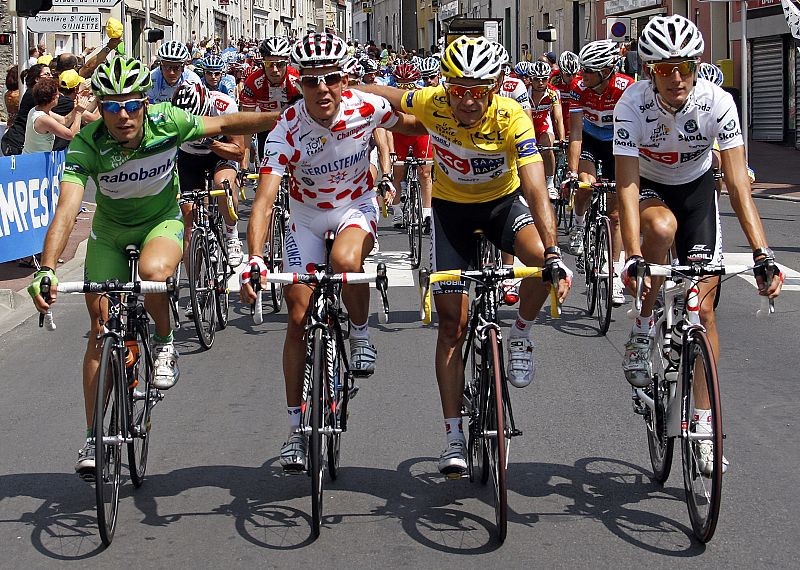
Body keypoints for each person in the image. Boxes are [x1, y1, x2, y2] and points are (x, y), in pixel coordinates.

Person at [28, 56, 281, 479]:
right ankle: (93, 436)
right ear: (100, 108)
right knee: (98, 330)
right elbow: (67, 211)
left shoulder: (170, 121)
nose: (122, 115)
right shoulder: (87, 143)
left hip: (160, 223)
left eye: (131, 105)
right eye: (110, 106)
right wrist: (48, 267)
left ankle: (164, 343)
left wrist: (287, 115)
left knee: (154, 274)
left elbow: (225, 124)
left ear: (147, 103)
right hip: (110, 234)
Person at [355, 35, 571, 476]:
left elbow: (533, 186)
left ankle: (522, 333)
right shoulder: (432, 101)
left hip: (501, 206)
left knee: (538, 264)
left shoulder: (514, 117)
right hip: (451, 212)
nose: (468, 101)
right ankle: (453, 432)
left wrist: (552, 251)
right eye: (459, 91)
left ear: (495, 87)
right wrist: (345, 91)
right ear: (447, 87)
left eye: (479, 91)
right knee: (452, 324)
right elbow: (386, 94)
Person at [239, 32, 424, 472]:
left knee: (345, 262)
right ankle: (294, 433)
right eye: (310, 80)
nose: (322, 88)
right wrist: (254, 258)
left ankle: (360, 332)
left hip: (355, 207)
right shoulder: (286, 126)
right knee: (298, 317)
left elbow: (416, 124)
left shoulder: (366, 107)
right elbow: (264, 200)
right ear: (297, 82)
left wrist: (451, 126)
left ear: (345, 79)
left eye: (332, 78)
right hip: (304, 217)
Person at [614, 15, 783, 475]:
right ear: (649, 70)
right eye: (665, 68)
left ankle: (704, 427)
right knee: (662, 229)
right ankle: (644, 320)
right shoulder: (632, 104)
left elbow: (736, 180)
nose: (676, 78)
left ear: (696, 65)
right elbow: (626, 185)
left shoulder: (716, 102)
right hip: (649, 188)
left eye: (685, 66)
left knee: (703, 312)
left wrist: (763, 252)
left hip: (696, 190)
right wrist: (632, 255)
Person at [566, 39, 634, 305]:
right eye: (583, 70)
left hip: (619, 143)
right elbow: (574, 132)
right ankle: (581, 226)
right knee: (585, 184)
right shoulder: (578, 87)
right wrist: (572, 172)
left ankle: (615, 276)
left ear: (607, 70)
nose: (584, 76)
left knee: (616, 214)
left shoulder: (627, 88)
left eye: (590, 71)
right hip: (591, 140)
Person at [172, 82, 244, 304]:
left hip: (221, 152)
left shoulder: (225, 106)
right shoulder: (171, 114)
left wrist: (210, 141)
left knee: (221, 184)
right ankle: (196, 287)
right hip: (189, 159)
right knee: (190, 223)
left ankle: (231, 235)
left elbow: (239, 152)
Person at [385, 61, 434, 232]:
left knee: (425, 174)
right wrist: (390, 150)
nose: (406, 88)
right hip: (400, 135)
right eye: (401, 85)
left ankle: (427, 213)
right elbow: (386, 126)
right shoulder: (391, 97)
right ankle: (398, 211)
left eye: (410, 84)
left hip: (421, 134)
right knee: (398, 174)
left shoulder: (424, 95)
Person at [240, 37, 301, 166]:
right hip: (266, 126)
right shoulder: (253, 82)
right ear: (262, 63)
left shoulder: (297, 80)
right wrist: (244, 163)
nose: (274, 70)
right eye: (269, 64)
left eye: (280, 64)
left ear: (287, 63)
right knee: (266, 164)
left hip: (295, 125)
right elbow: (247, 123)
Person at [529, 61, 565, 200]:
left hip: (544, 126)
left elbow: (558, 117)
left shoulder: (553, 92)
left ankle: (550, 184)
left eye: (544, 79)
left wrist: (561, 138)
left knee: (546, 146)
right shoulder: (524, 91)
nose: (540, 82)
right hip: (528, 126)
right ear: (531, 79)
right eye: (536, 79)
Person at [21, 77, 87, 154]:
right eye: (57, 94)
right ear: (52, 98)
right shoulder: (43, 119)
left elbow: (64, 121)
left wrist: (75, 109)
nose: (59, 96)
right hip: (34, 161)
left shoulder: (38, 110)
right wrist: (79, 113)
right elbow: (72, 135)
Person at [1, 64, 55, 156]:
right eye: (47, 74)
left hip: (16, 138)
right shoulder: (35, 94)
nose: (51, 77)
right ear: (37, 79)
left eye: (51, 74)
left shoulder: (31, 93)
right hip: (17, 142)